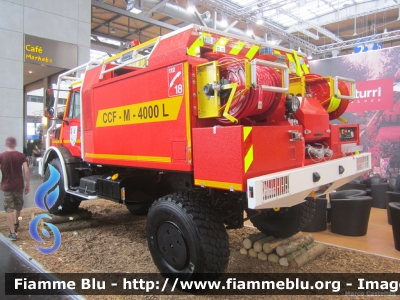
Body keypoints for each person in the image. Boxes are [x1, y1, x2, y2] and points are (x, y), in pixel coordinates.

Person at [0, 137, 30, 241]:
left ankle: (12, 233)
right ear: (15, 144)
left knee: (9, 209)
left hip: (7, 186)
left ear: (6, 144)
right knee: (18, 206)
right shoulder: (21, 156)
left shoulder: (1, 156)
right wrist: (28, 184)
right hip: (19, 185)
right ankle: (17, 223)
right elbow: (26, 170)